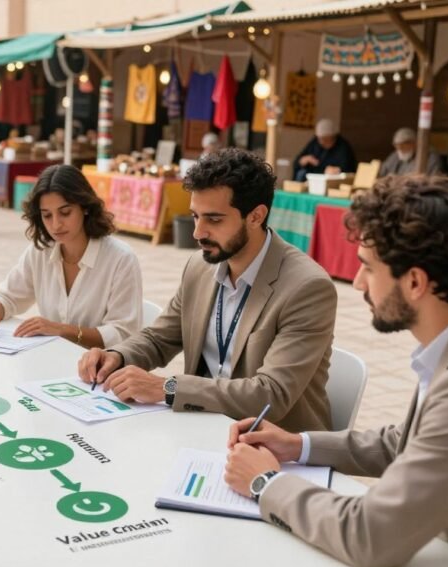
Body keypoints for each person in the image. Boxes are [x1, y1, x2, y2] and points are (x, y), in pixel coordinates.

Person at [224, 175, 448, 567]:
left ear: (415, 282)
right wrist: (298, 445)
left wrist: (264, 483)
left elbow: (369, 536)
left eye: (368, 267)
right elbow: (412, 442)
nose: (358, 282)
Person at [77, 148, 335, 431]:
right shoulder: (200, 266)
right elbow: (160, 338)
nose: (197, 233)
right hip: (202, 424)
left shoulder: (307, 288)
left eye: (214, 220)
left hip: (271, 441)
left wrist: (168, 388)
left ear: (256, 216)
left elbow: (271, 395)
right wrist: (117, 356)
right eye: (195, 216)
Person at [0, 164, 142, 348]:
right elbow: (8, 295)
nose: (56, 225)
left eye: (65, 212)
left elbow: (123, 334)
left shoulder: (121, 259)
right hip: (51, 358)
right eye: (47, 215)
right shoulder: (40, 251)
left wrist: (62, 330)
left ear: (85, 208)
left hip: (101, 365)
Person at [292, 118, 357, 181]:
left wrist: (338, 170)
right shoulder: (314, 143)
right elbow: (297, 162)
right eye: (320, 139)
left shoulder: (343, 147)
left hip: (331, 181)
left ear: (333, 137)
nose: (321, 142)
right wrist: (303, 160)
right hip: (312, 178)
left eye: (325, 139)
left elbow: (350, 170)